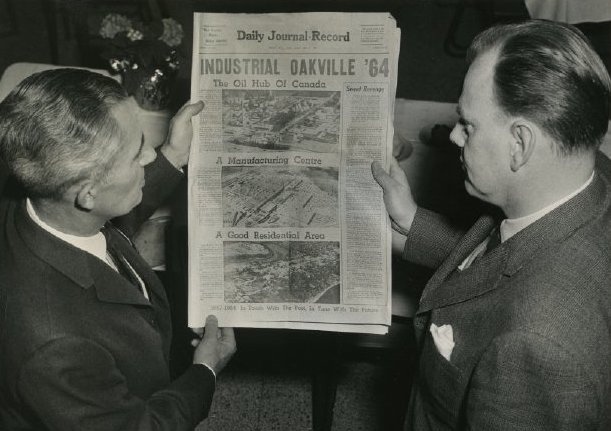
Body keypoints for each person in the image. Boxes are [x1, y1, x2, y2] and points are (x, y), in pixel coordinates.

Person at [372, 20, 611, 430]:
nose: (455, 139)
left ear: (520, 144)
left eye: (469, 125)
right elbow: (505, 267)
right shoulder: (589, 174)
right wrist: (412, 223)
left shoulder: (536, 349)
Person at [0, 68, 236, 430]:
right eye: (135, 153)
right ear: (88, 194)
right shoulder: (57, 350)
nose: (147, 155)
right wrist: (204, 371)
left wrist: (173, 153)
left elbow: (111, 217)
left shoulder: (45, 201)